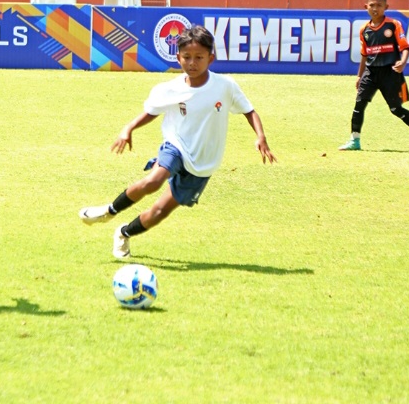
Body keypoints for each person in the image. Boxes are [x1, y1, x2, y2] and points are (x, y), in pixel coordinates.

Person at [78, 24, 276, 259]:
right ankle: (109, 211)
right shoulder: (170, 89)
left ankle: (123, 233)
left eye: (199, 57)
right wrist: (129, 128)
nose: (192, 63)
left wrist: (260, 137)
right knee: (154, 180)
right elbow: (152, 111)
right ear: (177, 57)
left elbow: (249, 111)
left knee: (159, 212)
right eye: (187, 57)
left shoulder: (225, 86)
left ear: (211, 58)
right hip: (176, 146)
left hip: (204, 163)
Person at [338, 0, 409, 152]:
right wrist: (359, 76)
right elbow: (364, 54)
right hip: (371, 73)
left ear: (386, 7)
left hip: (390, 73)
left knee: (395, 109)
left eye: (379, 5)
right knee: (359, 104)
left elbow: (405, 47)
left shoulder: (393, 24)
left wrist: (403, 61)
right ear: (366, 6)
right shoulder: (364, 29)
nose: (375, 9)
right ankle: (355, 140)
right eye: (372, 5)